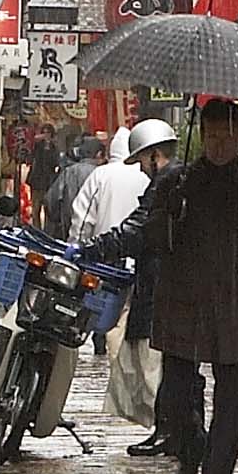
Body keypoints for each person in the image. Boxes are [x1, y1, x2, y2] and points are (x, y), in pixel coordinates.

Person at [124, 93, 238, 474]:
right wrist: (170, 213)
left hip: (236, 302)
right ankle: (191, 447)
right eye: (211, 136)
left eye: (226, 137)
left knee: (232, 396)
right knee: (176, 394)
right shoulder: (178, 183)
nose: (218, 145)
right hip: (185, 301)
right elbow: (153, 240)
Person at [73, 119, 177, 432]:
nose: (143, 170)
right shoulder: (167, 181)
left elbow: (135, 232)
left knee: (155, 366)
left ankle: (173, 431)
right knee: (159, 365)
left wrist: (87, 249)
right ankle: (168, 431)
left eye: (144, 162)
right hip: (158, 284)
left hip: (161, 287)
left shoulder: (168, 183)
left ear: (155, 155)